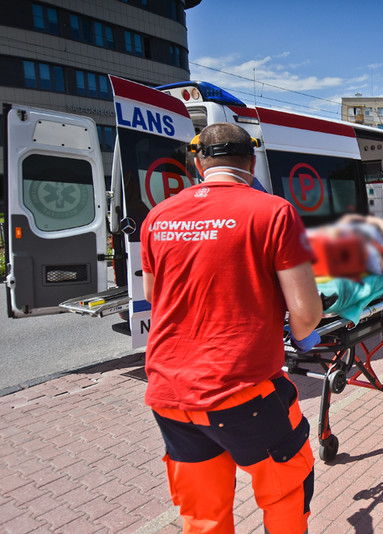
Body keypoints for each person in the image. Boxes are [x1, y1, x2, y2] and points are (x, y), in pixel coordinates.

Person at [140, 122, 322, 534]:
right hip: (242, 391)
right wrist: (300, 333)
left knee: (203, 515)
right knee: (287, 489)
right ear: (251, 160)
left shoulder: (158, 216)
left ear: (198, 163)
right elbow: (306, 311)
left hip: (170, 394)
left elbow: (156, 296)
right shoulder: (273, 211)